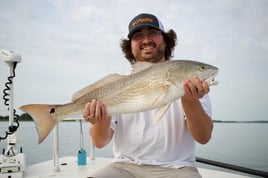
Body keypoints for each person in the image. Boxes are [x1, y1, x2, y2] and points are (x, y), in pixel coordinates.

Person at [83, 13, 213, 178]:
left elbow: (203, 137)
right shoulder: (116, 87)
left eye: (153, 33)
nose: (146, 40)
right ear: (129, 45)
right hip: (124, 167)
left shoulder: (192, 83)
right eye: (138, 36)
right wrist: (100, 119)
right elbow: (99, 142)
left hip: (178, 169)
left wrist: (190, 101)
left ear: (165, 40)